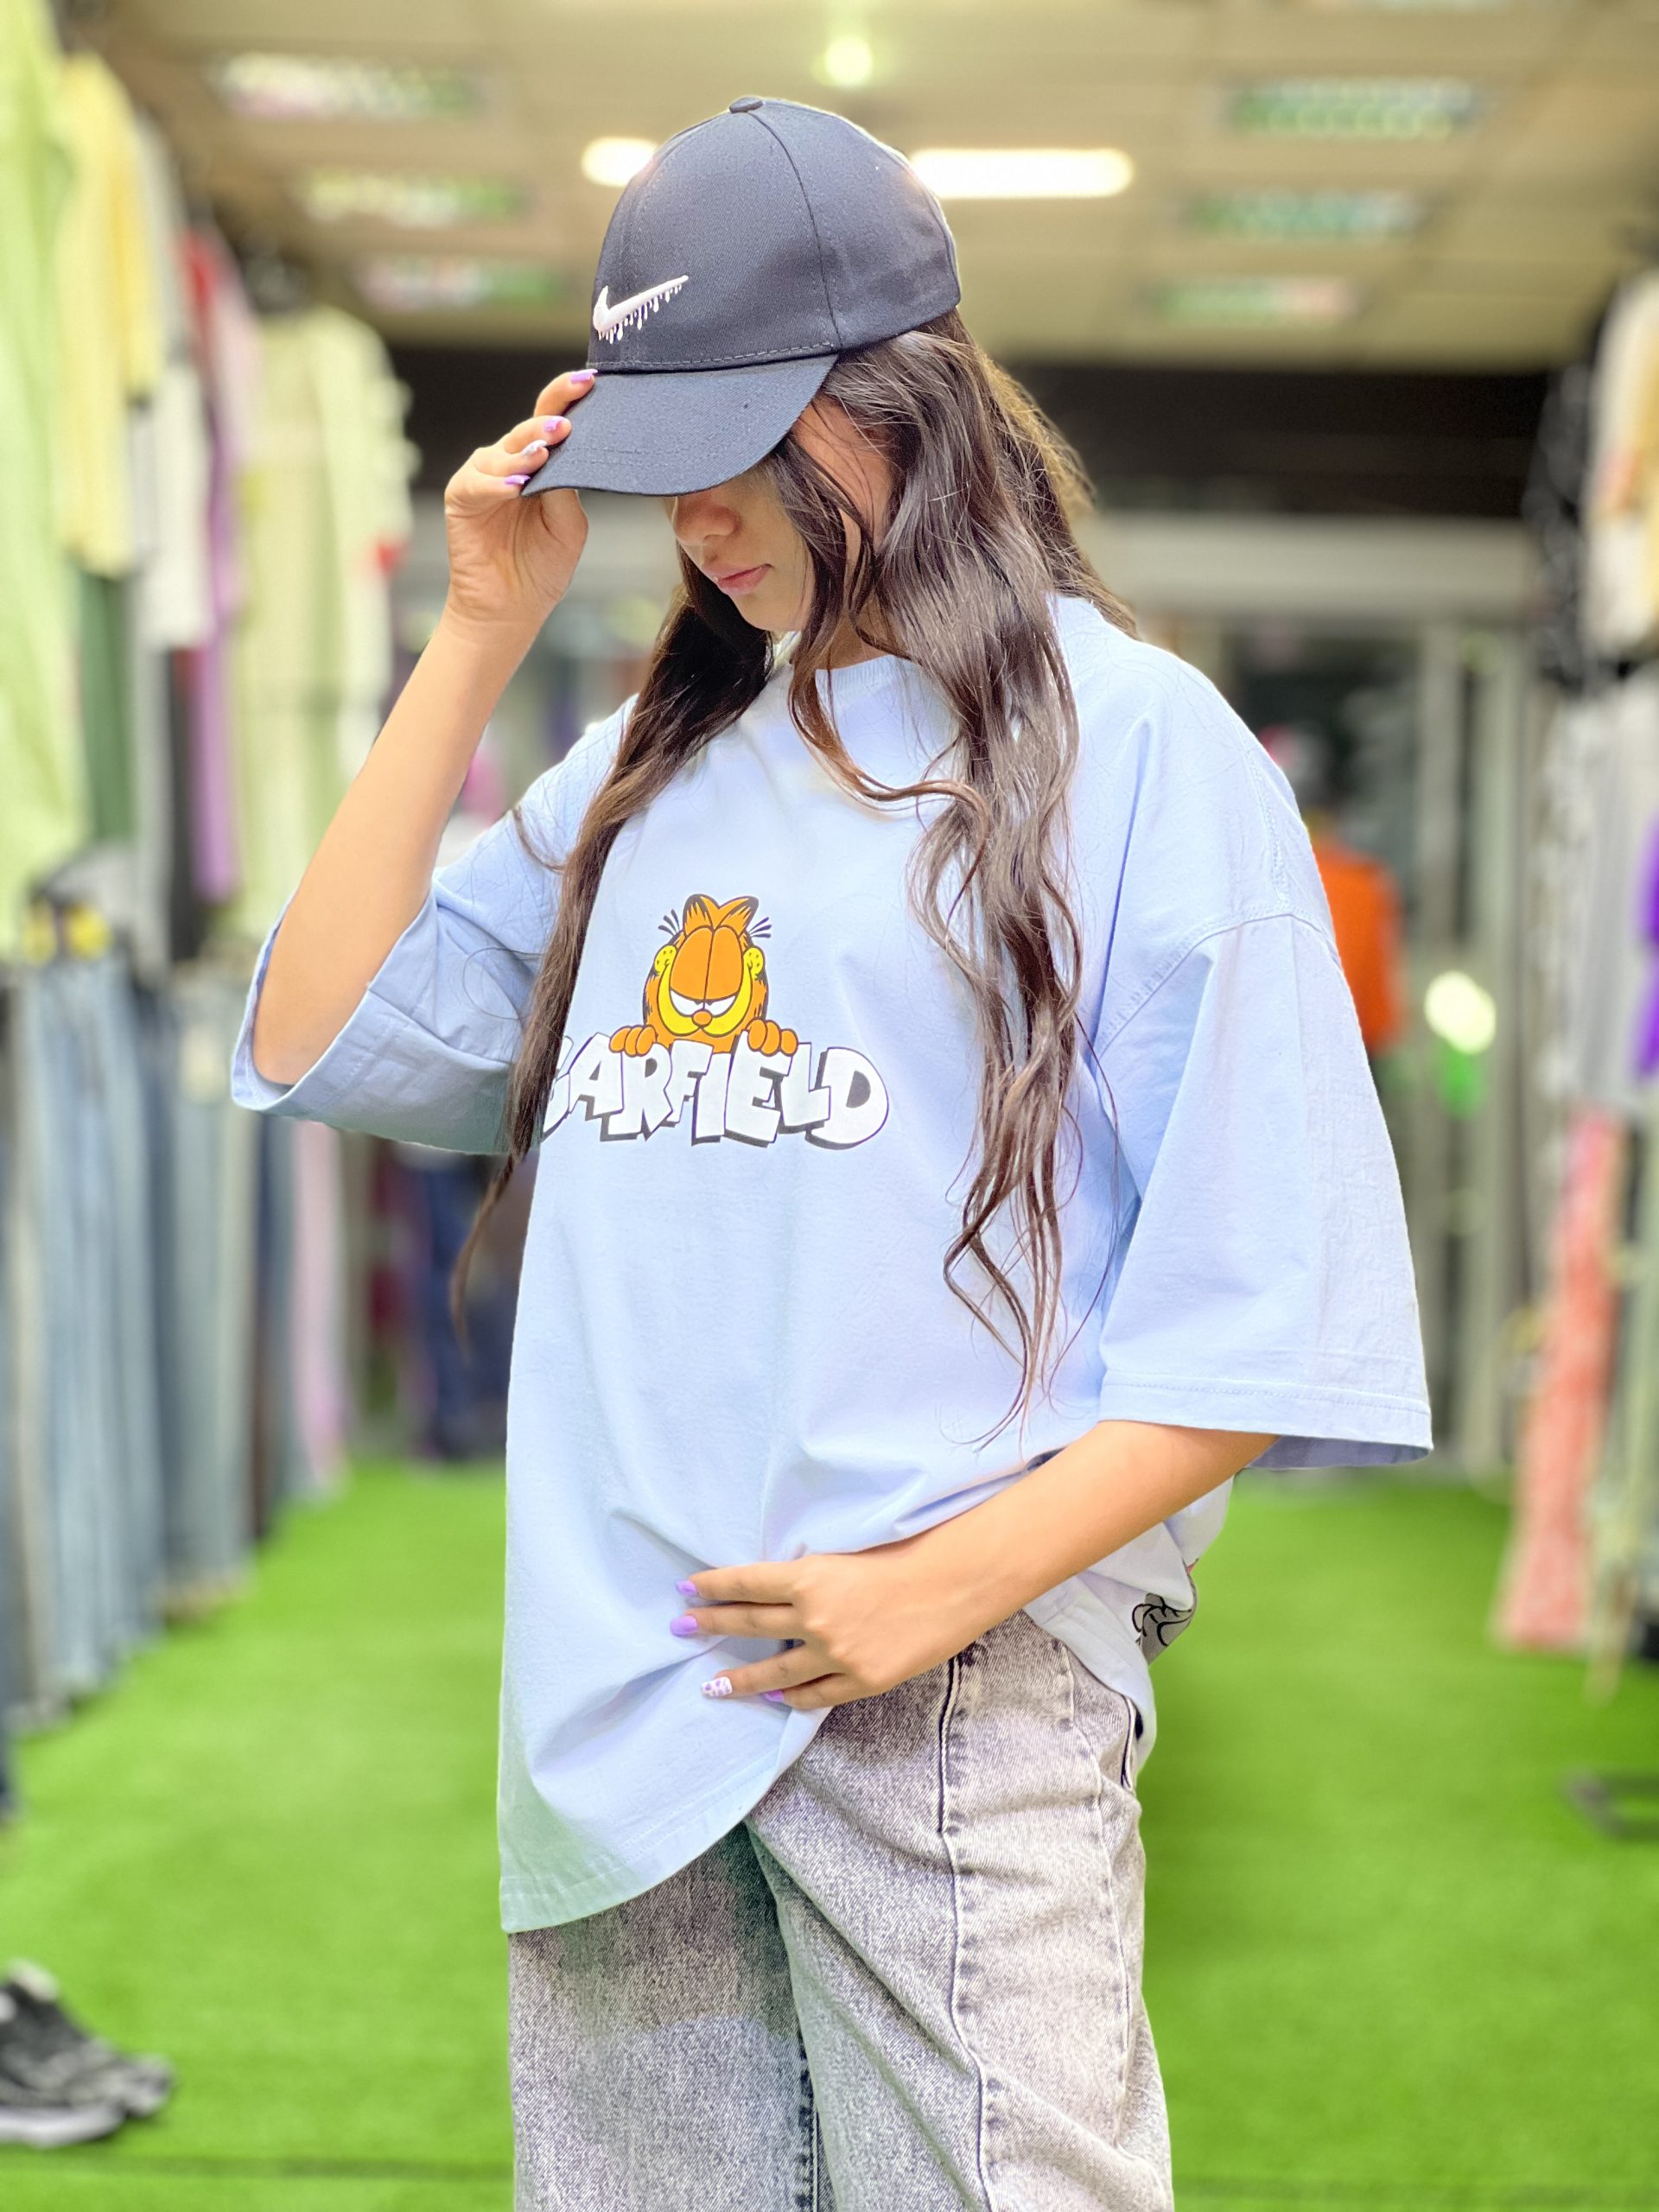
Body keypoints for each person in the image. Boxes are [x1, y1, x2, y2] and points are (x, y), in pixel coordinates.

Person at [228, 97, 1431, 2212]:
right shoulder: (649, 767)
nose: (699, 512)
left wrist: (929, 1598)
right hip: (617, 1696)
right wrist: (477, 631)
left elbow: (1270, 1305)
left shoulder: (1135, 743)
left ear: (910, 400)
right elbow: (312, 1030)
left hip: (947, 1691)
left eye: (746, 441)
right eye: (659, 456)